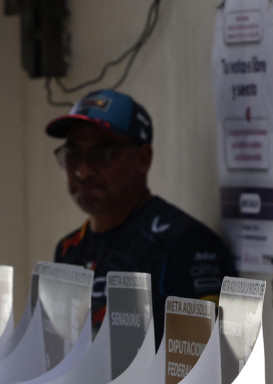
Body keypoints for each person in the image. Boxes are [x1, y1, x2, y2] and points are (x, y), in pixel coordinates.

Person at [48, 89, 237, 339]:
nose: (83, 171)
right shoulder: (68, 250)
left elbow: (210, 365)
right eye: (73, 155)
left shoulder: (185, 244)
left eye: (102, 155)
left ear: (142, 159)